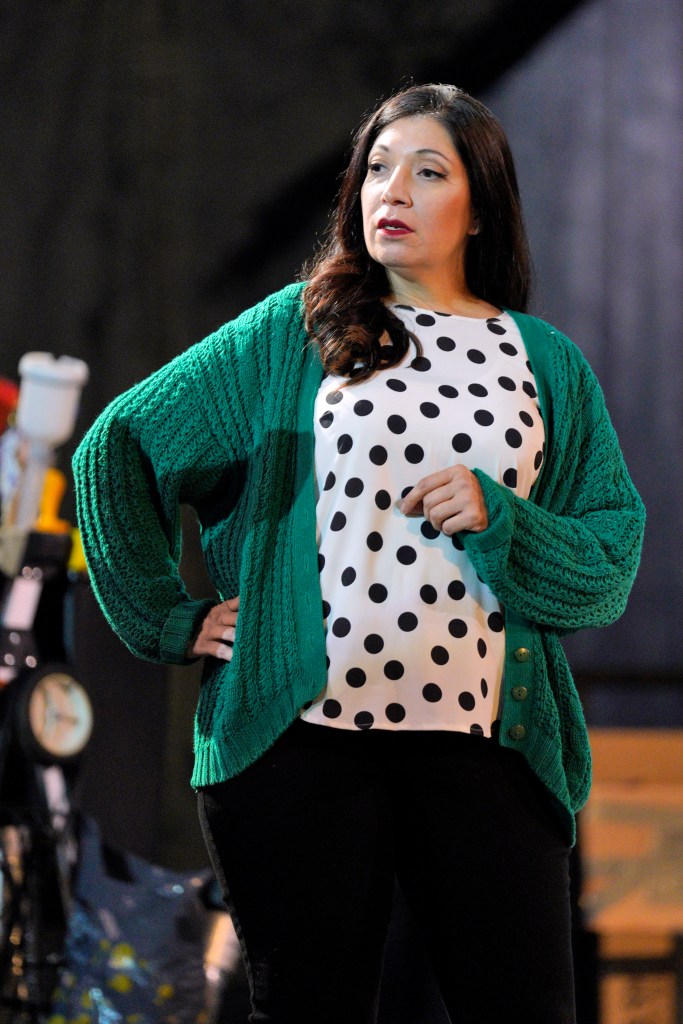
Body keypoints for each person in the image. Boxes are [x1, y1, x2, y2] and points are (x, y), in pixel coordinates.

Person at [73, 83, 645, 1024]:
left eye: (428, 172)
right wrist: (168, 619)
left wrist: (502, 518)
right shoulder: (293, 330)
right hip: (304, 743)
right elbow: (118, 448)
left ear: (479, 209)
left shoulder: (541, 361)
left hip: (484, 744)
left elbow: (607, 558)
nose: (394, 190)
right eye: (378, 168)